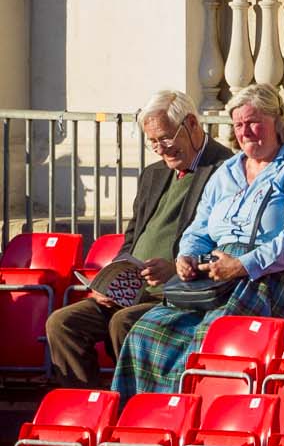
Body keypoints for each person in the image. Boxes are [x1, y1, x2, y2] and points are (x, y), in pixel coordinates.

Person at [113, 83, 284, 398]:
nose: (245, 131)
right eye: (238, 124)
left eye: (253, 122)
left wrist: (242, 265)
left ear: (276, 121)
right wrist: (188, 255)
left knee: (215, 332)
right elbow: (200, 228)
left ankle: (195, 414)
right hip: (221, 275)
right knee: (146, 331)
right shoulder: (227, 172)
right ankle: (146, 419)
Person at [45, 91, 233, 387]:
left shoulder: (226, 170)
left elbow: (227, 247)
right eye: (153, 141)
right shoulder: (154, 174)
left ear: (192, 124)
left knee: (125, 322)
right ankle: (91, 408)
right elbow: (132, 239)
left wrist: (176, 268)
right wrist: (111, 283)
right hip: (133, 291)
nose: (160, 149)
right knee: (62, 322)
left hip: (179, 294)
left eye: (166, 138)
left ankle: (131, 406)